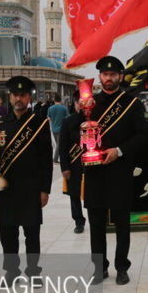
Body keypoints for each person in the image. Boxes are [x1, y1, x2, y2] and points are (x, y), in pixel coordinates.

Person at [81, 56, 148, 285]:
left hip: (120, 171)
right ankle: (100, 268)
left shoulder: (132, 103)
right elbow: (74, 134)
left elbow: (143, 136)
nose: (108, 78)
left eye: (112, 74)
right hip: (94, 171)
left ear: (120, 76)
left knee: (122, 223)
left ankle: (122, 267)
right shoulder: (88, 103)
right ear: (100, 76)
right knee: (96, 224)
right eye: (104, 74)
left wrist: (119, 150)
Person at [0, 76, 52, 286]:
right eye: (15, 95)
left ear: (29, 97)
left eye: (23, 95)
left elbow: (46, 159)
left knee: (31, 233)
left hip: (31, 187)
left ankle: (33, 271)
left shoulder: (39, 123)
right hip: (5, 188)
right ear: (9, 97)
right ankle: (11, 271)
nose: (19, 98)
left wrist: (45, 189)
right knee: (7, 233)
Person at [58, 98, 87, 234]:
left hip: (92, 163)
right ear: (75, 104)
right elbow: (62, 146)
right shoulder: (68, 121)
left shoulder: (95, 119)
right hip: (73, 162)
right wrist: (64, 167)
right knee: (74, 194)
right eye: (78, 103)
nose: (81, 106)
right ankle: (78, 221)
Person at [47, 95, 70, 164]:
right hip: (62, 129)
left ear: (54, 100)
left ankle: (60, 157)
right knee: (59, 144)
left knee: (58, 144)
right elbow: (68, 117)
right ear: (60, 100)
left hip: (54, 129)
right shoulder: (64, 108)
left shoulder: (50, 108)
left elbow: (48, 118)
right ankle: (55, 159)